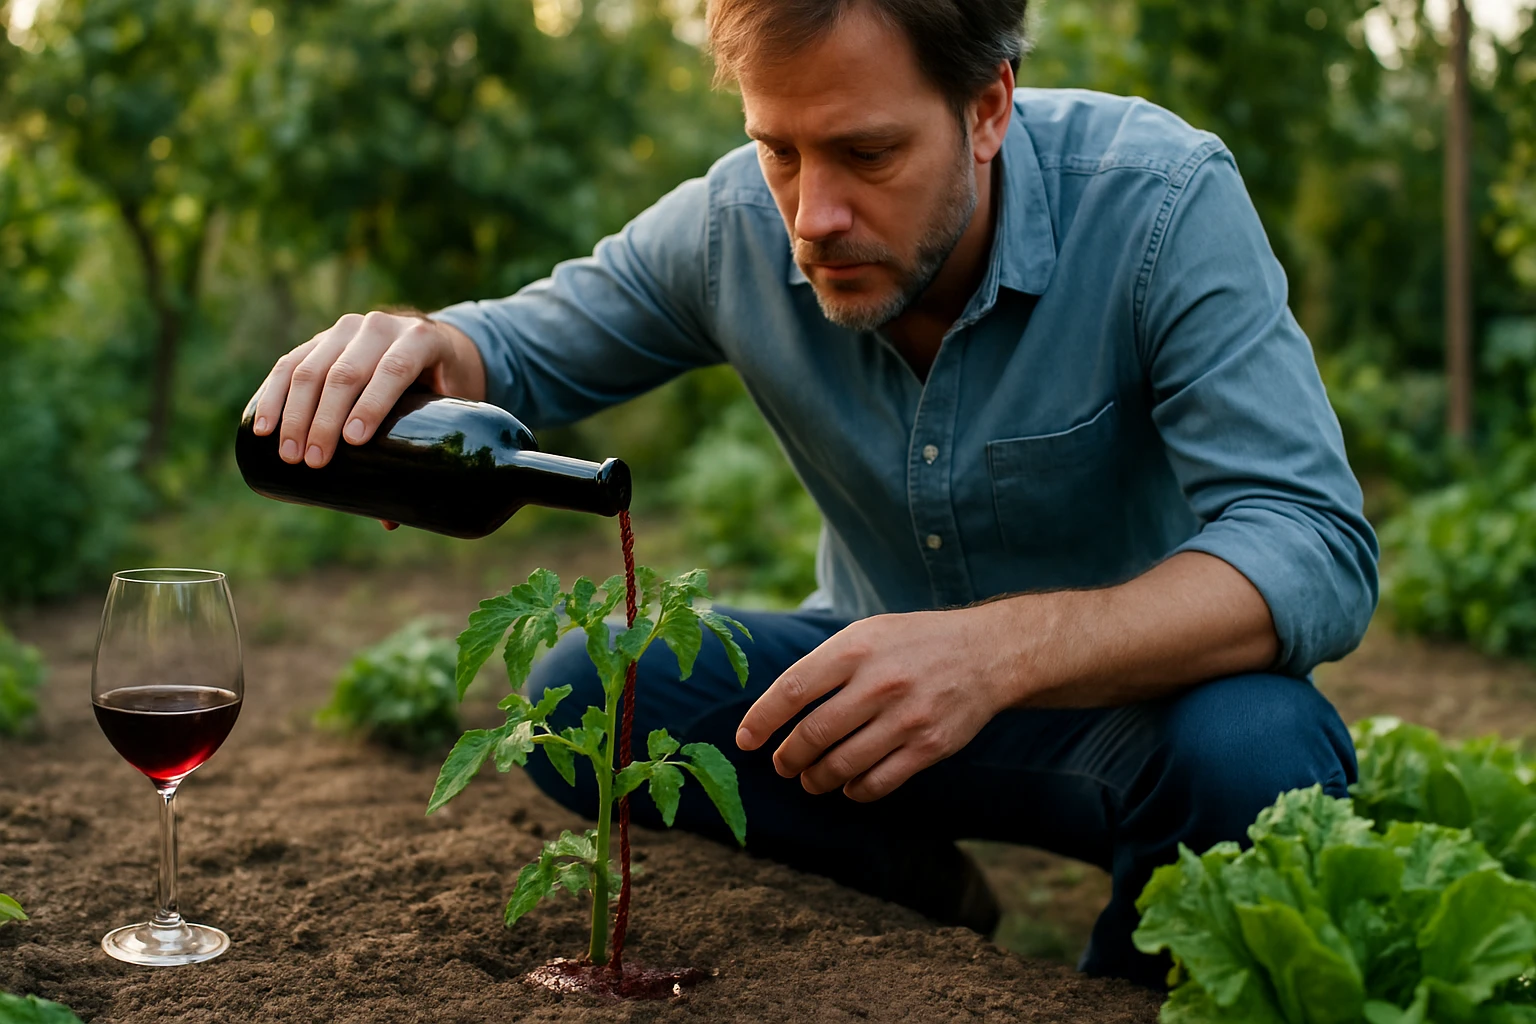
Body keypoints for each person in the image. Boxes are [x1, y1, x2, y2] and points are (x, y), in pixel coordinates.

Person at [247, 0, 1376, 988]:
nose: (812, 216)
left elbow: (1313, 542)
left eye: (866, 153)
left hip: (1138, 726)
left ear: (988, 108)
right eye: (778, 150)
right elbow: (512, 347)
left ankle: (1121, 983)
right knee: (587, 689)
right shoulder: (734, 227)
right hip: (859, 722)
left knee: (1261, 754)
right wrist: (422, 349)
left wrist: (993, 653)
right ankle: (919, 893)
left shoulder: (1156, 203)